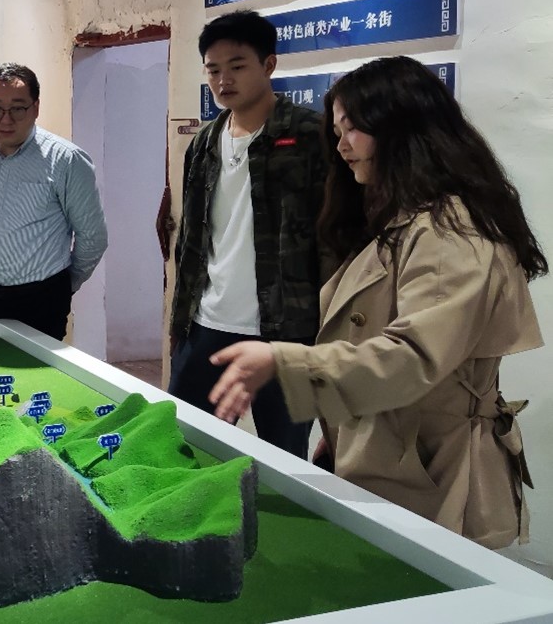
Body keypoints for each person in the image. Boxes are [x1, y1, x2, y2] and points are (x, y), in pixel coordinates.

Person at [209, 56, 545, 549]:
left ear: (402, 130)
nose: (342, 146)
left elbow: (412, 357)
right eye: (337, 132)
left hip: (435, 473)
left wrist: (282, 361)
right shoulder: (404, 216)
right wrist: (345, 431)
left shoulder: (451, 230)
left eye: (353, 129)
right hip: (391, 450)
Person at [167, 10, 333, 459]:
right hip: (206, 324)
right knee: (185, 445)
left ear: (269, 64)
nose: (223, 80)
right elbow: (191, 242)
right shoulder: (204, 142)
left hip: (286, 332)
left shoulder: (310, 136)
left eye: (237, 66)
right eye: (213, 70)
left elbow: (335, 237)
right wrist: (179, 326)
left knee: (284, 458)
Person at [0, 62, 108, 341]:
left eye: (18, 108)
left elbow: (93, 238)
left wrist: (62, 286)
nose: (6, 120)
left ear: (36, 108)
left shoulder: (66, 160)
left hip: (38, 303)